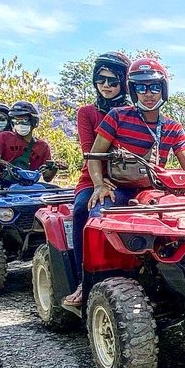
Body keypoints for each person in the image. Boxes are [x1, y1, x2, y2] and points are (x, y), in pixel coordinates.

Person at [64, 58, 185, 308]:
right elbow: (93, 155)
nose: (148, 94)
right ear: (132, 90)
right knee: (95, 214)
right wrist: (100, 184)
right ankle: (88, 282)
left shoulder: (172, 127)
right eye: (141, 88)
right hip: (117, 186)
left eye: (154, 87)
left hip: (152, 189)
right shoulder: (117, 116)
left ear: (163, 90)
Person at [61, 52, 131, 308]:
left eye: (113, 81)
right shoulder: (87, 113)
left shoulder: (136, 112)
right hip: (93, 177)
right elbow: (89, 151)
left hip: (129, 178)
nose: (106, 86)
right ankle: (84, 281)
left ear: (124, 83)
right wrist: (99, 183)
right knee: (83, 209)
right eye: (101, 79)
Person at [0, 100, 59, 190]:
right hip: (2, 184)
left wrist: (54, 168)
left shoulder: (43, 146)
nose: (19, 124)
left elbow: (47, 178)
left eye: (24, 121)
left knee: (57, 191)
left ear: (34, 122)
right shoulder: (4, 137)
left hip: (30, 186)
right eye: (16, 121)